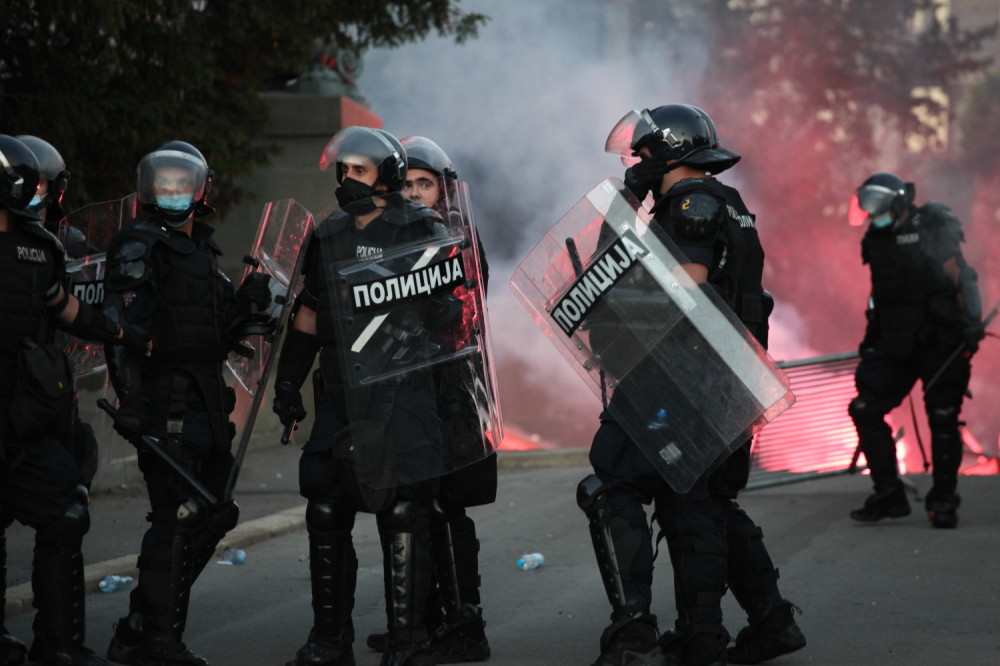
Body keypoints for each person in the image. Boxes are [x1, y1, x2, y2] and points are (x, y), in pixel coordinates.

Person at [578, 105, 806, 666]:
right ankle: (748, 626)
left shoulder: (691, 201)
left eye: (643, 154)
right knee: (698, 500)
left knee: (612, 485)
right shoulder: (727, 204)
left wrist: (612, 306)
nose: (636, 163)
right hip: (721, 377)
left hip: (679, 372)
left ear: (668, 152)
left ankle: (635, 632)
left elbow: (687, 285)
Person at [272, 126, 452, 666]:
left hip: (401, 392)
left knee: (401, 511)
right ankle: (330, 641)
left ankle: (407, 641)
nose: (348, 180)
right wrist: (287, 382)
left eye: (360, 171)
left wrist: (438, 301)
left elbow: (451, 314)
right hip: (340, 394)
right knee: (326, 508)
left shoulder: (421, 229)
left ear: (387, 177)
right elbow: (307, 312)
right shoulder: (328, 235)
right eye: (344, 171)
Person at [101, 141, 273, 666]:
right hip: (163, 399)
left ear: (200, 190)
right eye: (164, 183)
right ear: (149, 187)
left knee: (214, 514)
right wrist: (129, 398)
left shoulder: (202, 251)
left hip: (205, 401)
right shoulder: (137, 246)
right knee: (177, 516)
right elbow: (118, 328)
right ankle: (159, 643)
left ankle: (138, 626)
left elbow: (215, 332)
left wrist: (249, 305)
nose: (173, 193)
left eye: (183, 183)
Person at [0, 134, 148, 666]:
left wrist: (122, 334)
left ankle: (58, 647)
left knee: (65, 513)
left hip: (28, 414)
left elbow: (64, 309)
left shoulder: (40, 248)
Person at [357, 135, 494, 662]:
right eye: (407, 182)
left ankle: (465, 624)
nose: (414, 192)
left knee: (445, 504)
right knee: (410, 505)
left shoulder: (456, 237)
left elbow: (462, 314)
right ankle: (421, 621)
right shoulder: (387, 235)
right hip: (404, 388)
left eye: (424, 183)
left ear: (443, 189)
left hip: (450, 387)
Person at [847, 172, 984, 529]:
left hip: (940, 340)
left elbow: (961, 276)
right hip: (896, 344)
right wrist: (872, 336)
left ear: (897, 200)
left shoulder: (932, 225)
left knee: (942, 416)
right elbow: (880, 295)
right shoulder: (875, 239)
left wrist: (971, 324)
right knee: (865, 408)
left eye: (875, 202)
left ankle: (943, 501)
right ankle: (889, 493)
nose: (870, 210)